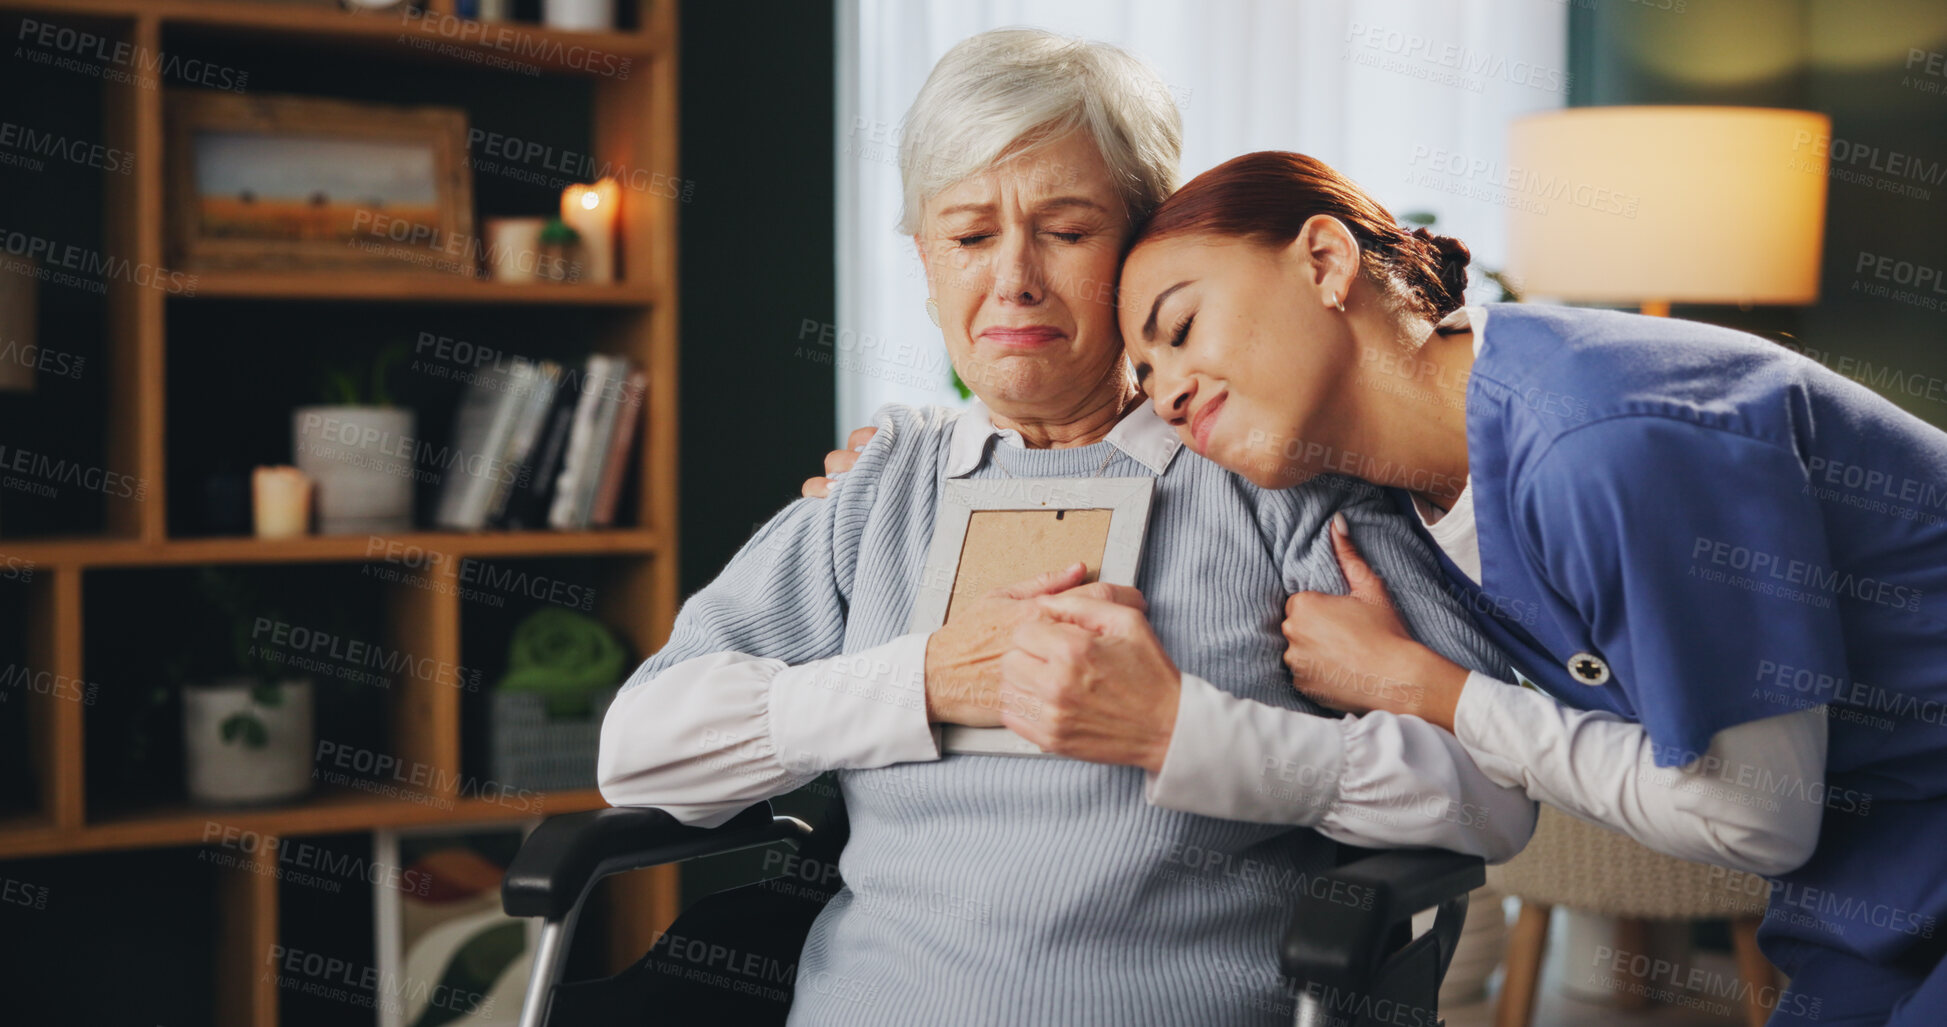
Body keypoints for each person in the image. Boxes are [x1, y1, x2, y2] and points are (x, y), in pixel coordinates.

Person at [815, 148, 1947, 1025]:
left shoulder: (1606, 445)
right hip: (1881, 876)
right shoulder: (1406, 503)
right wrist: (901, 461)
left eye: (1179, 327)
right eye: (1143, 373)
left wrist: (1426, 686)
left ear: (1324, 260)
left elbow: (1756, 816)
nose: (1162, 392)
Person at [604, 34, 1533, 1027]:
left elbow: (1491, 788)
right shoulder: (879, 487)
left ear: (1143, 248)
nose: (1014, 278)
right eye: (967, 237)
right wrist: (917, 681)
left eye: (1066, 229)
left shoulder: (1278, 475)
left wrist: (1188, 731)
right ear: (925, 262)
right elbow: (639, 750)